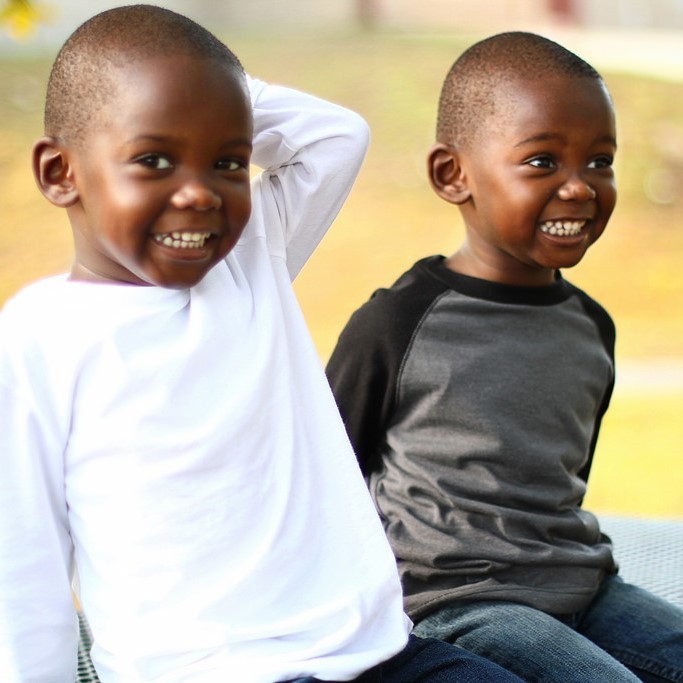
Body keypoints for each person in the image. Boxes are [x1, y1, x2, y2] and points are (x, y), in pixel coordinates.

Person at [0, 6, 526, 683]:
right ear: (59, 171)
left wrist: (208, 89)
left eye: (228, 162)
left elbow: (337, 135)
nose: (198, 194)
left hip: (381, 656)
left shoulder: (251, 258)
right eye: (153, 159)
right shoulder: (39, 335)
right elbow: (22, 561)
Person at [326, 31, 683, 683]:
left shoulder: (587, 326)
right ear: (451, 174)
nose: (579, 188)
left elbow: (556, 477)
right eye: (542, 162)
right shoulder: (398, 322)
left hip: (584, 588)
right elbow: (324, 473)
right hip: (458, 600)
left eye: (599, 162)